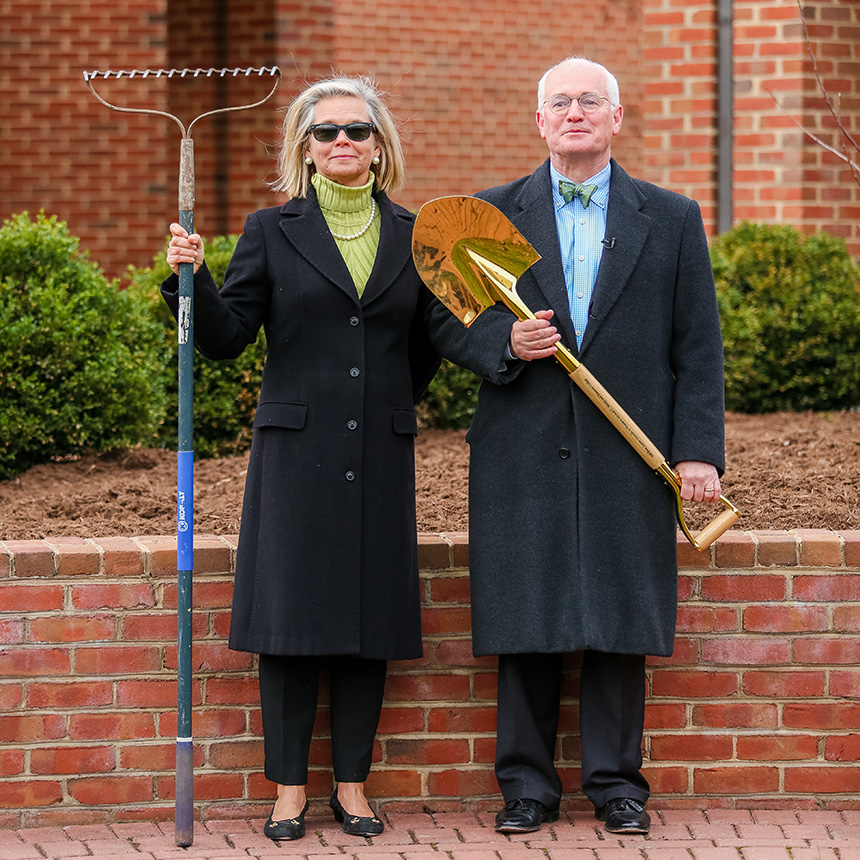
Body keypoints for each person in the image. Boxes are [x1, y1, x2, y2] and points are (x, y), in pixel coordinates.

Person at [426, 56, 725, 835]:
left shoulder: (671, 216)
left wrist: (698, 452)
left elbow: (697, 347)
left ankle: (617, 786)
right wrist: (503, 341)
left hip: (631, 450)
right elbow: (438, 321)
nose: (575, 112)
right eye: (559, 102)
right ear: (539, 121)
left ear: (617, 119)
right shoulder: (491, 215)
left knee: (620, 619)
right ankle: (525, 787)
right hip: (522, 446)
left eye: (591, 101)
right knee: (527, 616)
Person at [162, 75, 439, 842]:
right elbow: (223, 340)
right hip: (295, 457)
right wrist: (192, 279)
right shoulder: (270, 230)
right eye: (326, 132)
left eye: (357, 130)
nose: (341, 141)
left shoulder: (415, 236)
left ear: (380, 148)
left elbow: (426, 351)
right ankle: (287, 790)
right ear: (305, 149)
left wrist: (386, 406)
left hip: (379, 453)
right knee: (289, 626)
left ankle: (352, 786)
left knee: (367, 622)